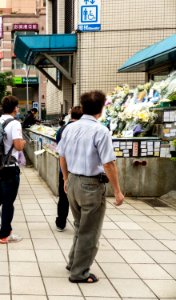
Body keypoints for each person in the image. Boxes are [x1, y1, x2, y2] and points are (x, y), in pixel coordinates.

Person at [57, 91, 124, 284]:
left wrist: (66, 179)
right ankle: (79, 272)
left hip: (73, 181)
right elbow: (109, 164)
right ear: (102, 109)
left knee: (80, 225)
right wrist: (118, 191)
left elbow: (61, 155)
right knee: (89, 231)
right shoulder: (100, 130)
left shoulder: (69, 128)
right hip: (90, 184)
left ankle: (73, 262)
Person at [0, 96, 26, 244]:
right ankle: (5, 234)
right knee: (8, 202)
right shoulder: (15, 123)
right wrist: (23, 142)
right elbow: (18, 146)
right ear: (15, 108)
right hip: (10, 167)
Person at [55, 106, 83, 231]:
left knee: (63, 197)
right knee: (81, 199)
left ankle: (61, 223)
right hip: (81, 170)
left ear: (71, 115)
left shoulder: (62, 129)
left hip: (65, 169)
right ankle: (81, 224)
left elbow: (60, 149)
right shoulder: (84, 130)